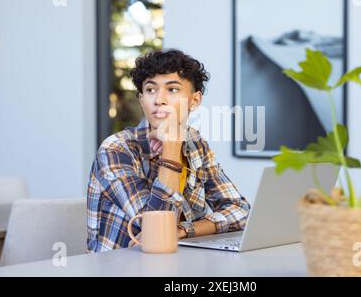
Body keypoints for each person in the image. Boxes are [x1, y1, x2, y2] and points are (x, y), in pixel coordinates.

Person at [86, 49, 251, 252]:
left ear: (195, 100)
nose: (159, 100)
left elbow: (240, 210)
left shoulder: (195, 144)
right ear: (141, 99)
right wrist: (171, 148)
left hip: (175, 264)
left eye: (172, 89)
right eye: (150, 90)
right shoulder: (116, 149)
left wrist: (184, 230)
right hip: (119, 268)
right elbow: (155, 231)